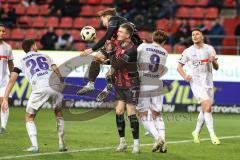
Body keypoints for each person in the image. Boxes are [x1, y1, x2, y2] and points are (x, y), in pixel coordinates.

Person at [1, 39, 67, 152]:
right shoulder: (46, 55)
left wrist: (5, 98)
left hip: (40, 87)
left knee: (29, 117)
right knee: (58, 114)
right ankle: (62, 144)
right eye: (35, 45)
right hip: (55, 85)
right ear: (33, 47)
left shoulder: (21, 60)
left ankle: (35, 146)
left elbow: (12, 80)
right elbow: (56, 70)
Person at [77, 8, 142, 96]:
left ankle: (106, 86)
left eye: (102, 19)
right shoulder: (122, 23)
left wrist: (92, 49)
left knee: (110, 65)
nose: (103, 23)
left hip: (127, 47)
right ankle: (91, 84)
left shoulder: (114, 19)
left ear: (106, 17)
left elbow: (108, 35)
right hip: (124, 46)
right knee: (98, 58)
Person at [177, 28, 220, 145]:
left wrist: (214, 62)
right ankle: (213, 136)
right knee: (207, 107)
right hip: (196, 83)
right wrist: (184, 75)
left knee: (205, 109)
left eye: (197, 34)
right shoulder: (187, 51)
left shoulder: (209, 49)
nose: (194, 36)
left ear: (202, 36)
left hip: (208, 82)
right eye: (193, 35)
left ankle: (196, 132)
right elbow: (179, 67)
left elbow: (216, 67)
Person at [109, 23, 140, 153]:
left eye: (121, 32)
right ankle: (122, 142)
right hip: (120, 84)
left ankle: (136, 144)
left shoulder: (132, 50)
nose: (118, 33)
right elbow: (113, 62)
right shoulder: (119, 46)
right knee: (119, 111)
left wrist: (110, 52)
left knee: (131, 112)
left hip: (132, 84)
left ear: (127, 35)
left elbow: (117, 64)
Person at [137, 30, 168, 152]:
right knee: (157, 115)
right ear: (164, 41)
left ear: (152, 37)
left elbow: (135, 59)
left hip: (144, 82)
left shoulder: (143, 46)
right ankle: (163, 142)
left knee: (143, 114)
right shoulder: (165, 52)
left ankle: (157, 138)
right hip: (157, 83)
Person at [0, 23, 14, 134]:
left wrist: (12, 75)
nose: (2, 33)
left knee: (3, 101)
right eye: (0, 30)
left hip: (3, 81)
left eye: (3, 31)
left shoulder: (7, 47)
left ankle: (3, 126)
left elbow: (10, 64)